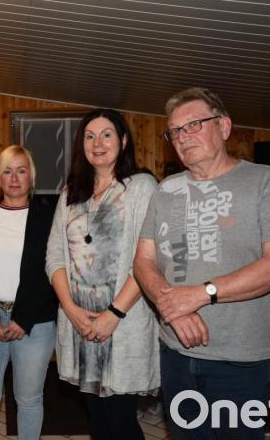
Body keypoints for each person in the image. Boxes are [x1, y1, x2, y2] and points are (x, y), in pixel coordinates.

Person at [133, 87, 270, 439]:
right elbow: (143, 261)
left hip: (241, 361)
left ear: (224, 127)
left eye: (194, 124)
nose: (183, 137)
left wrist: (200, 294)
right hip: (176, 355)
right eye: (176, 131)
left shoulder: (266, 182)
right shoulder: (166, 190)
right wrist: (175, 307)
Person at [45, 109, 159, 440]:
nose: (97, 143)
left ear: (123, 141)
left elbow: (148, 258)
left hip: (123, 323)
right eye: (90, 136)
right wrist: (70, 308)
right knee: (96, 420)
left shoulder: (141, 187)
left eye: (106, 134)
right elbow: (54, 255)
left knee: (121, 421)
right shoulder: (71, 193)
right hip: (79, 322)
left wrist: (113, 314)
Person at [0, 145, 58, 440]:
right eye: (8, 170)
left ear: (32, 176)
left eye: (21, 170)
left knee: (29, 401)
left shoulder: (49, 218)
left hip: (34, 325)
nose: (14, 178)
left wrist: (22, 319)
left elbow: (52, 275)